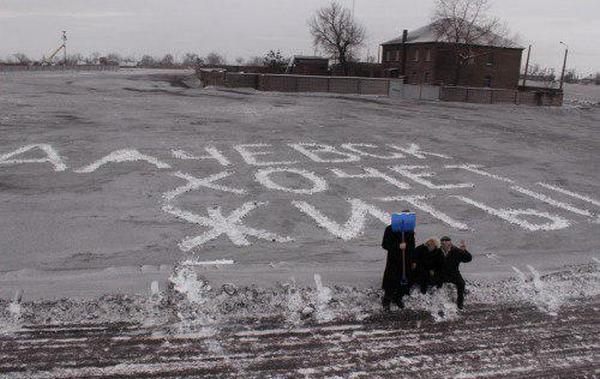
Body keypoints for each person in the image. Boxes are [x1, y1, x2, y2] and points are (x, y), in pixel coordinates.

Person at [381, 221, 416, 310]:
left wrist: (413, 260)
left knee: (404, 281)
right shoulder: (390, 229)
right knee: (391, 280)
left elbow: (412, 245)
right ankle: (387, 300)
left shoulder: (409, 230)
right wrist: (398, 246)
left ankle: (397, 298)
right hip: (394, 260)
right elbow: (385, 244)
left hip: (406, 260)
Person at [435, 236, 472, 309]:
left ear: (450, 243)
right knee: (435, 284)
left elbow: (468, 259)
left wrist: (465, 251)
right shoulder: (437, 251)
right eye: (443, 244)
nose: (445, 246)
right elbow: (431, 261)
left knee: (461, 283)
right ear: (441, 244)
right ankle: (436, 301)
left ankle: (460, 301)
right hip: (441, 273)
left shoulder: (456, 251)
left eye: (447, 244)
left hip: (453, 273)